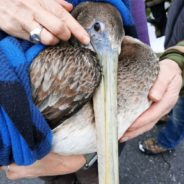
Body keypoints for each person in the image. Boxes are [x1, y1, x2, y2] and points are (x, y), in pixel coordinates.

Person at [0, 0, 182, 183]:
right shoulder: (77, 68)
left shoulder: (122, 41)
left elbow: (135, 19)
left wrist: (176, 60)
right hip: (44, 154)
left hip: (93, 153)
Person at [137, 0, 184, 154]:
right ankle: (167, 111)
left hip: (178, 59)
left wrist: (177, 59)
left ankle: (166, 142)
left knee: (180, 116)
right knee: (172, 99)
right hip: (174, 46)